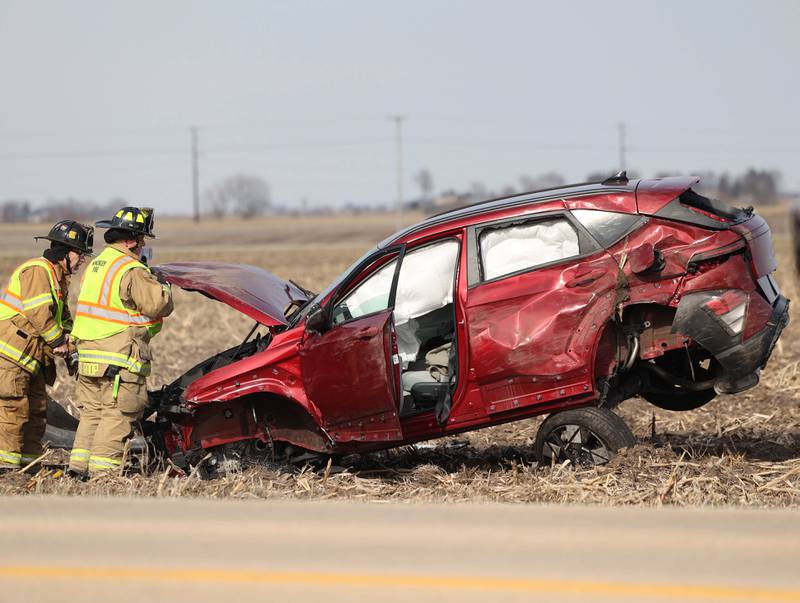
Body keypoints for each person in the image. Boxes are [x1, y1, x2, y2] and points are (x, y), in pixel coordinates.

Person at [67, 207, 173, 477]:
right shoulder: (131, 268)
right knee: (117, 416)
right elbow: (157, 305)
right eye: (142, 239)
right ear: (132, 239)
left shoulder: (99, 264)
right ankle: (103, 478)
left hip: (89, 354)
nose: (143, 245)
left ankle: (78, 470)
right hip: (117, 357)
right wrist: (162, 284)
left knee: (92, 415)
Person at [0, 221, 93, 472]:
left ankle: (29, 468)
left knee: (37, 414)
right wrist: (58, 343)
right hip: (10, 359)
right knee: (13, 412)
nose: (83, 259)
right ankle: (6, 472)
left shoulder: (58, 278)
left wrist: (72, 348)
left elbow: (63, 319)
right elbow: (39, 314)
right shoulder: (37, 271)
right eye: (80, 253)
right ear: (64, 253)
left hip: (32, 360)